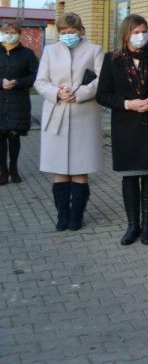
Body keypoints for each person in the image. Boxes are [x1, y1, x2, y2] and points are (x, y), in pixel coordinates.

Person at [96, 14, 148, 246]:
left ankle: (147, 226)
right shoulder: (112, 59)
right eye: (136, 32)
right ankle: (132, 225)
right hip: (126, 127)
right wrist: (128, 104)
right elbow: (103, 94)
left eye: (144, 31)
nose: (141, 36)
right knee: (130, 178)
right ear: (126, 34)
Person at [35, 12, 104, 231]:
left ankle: (77, 216)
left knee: (80, 169)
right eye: (64, 32)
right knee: (59, 170)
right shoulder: (49, 51)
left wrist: (81, 92)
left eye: (72, 32)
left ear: (81, 31)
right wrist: (56, 92)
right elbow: (40, 81)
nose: (68, 36)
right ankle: (62, 215)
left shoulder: (94, 50)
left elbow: (103, 79)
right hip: (56, 114)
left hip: (84, 115)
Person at [0, 21, 39, 185]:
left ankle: (14, 167)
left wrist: (18, 82)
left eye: (12, 31)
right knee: (1, 137)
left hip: (18, 100)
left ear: (18, 34)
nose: (9, 34)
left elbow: (36, 75)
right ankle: (3, 171)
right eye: (6, 31)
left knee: (14, 136)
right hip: (1, 99)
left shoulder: (27, 54)